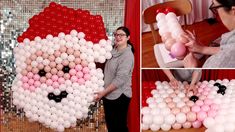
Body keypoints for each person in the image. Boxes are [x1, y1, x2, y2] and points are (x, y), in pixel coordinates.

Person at [94, 26, 134, 132]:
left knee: (119, 127)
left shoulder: (128, 55)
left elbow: (120, 79)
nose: (118, 37)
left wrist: (103, 93)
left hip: (120, 96)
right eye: (116, 34)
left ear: (128, 37)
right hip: (108, 94)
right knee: (111, 126)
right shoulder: (111, 51)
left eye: (121, 35)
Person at [183, 0, 235, 68]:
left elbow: (229, 52)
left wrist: (192, 68)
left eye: (216, 7)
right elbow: (228, 48)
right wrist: (202, 49)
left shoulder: (219, 63)